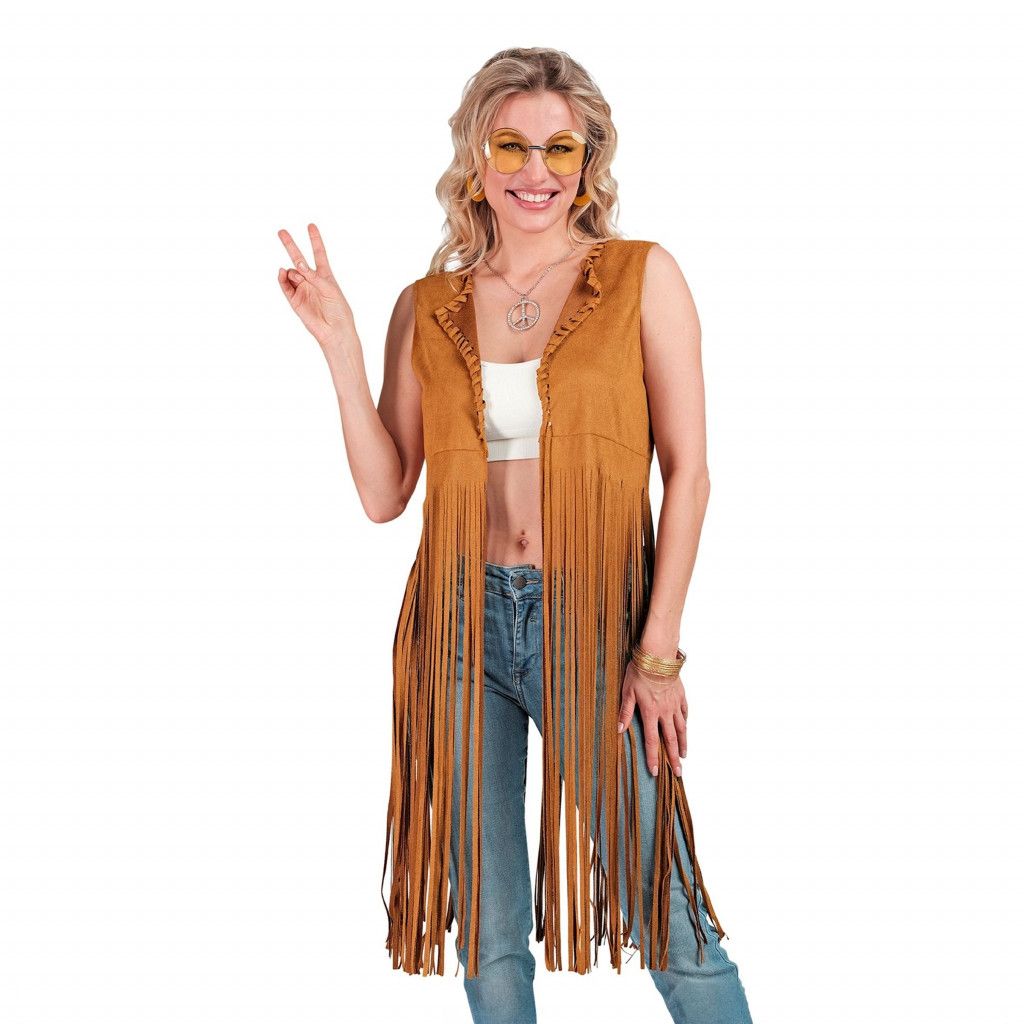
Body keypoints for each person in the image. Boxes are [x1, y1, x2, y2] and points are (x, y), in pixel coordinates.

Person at [277, 45, 753, 1024]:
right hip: (457, 625)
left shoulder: (640, 277)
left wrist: (658, 651)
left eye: (559, 149)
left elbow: (690, 474)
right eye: (511, 146)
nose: (536, 172)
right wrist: (341, 347)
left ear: (588, 161)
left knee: (669, 916)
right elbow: (384, 493)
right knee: (488, 939)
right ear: (476, 157)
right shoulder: (430, 306)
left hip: (595, 623)